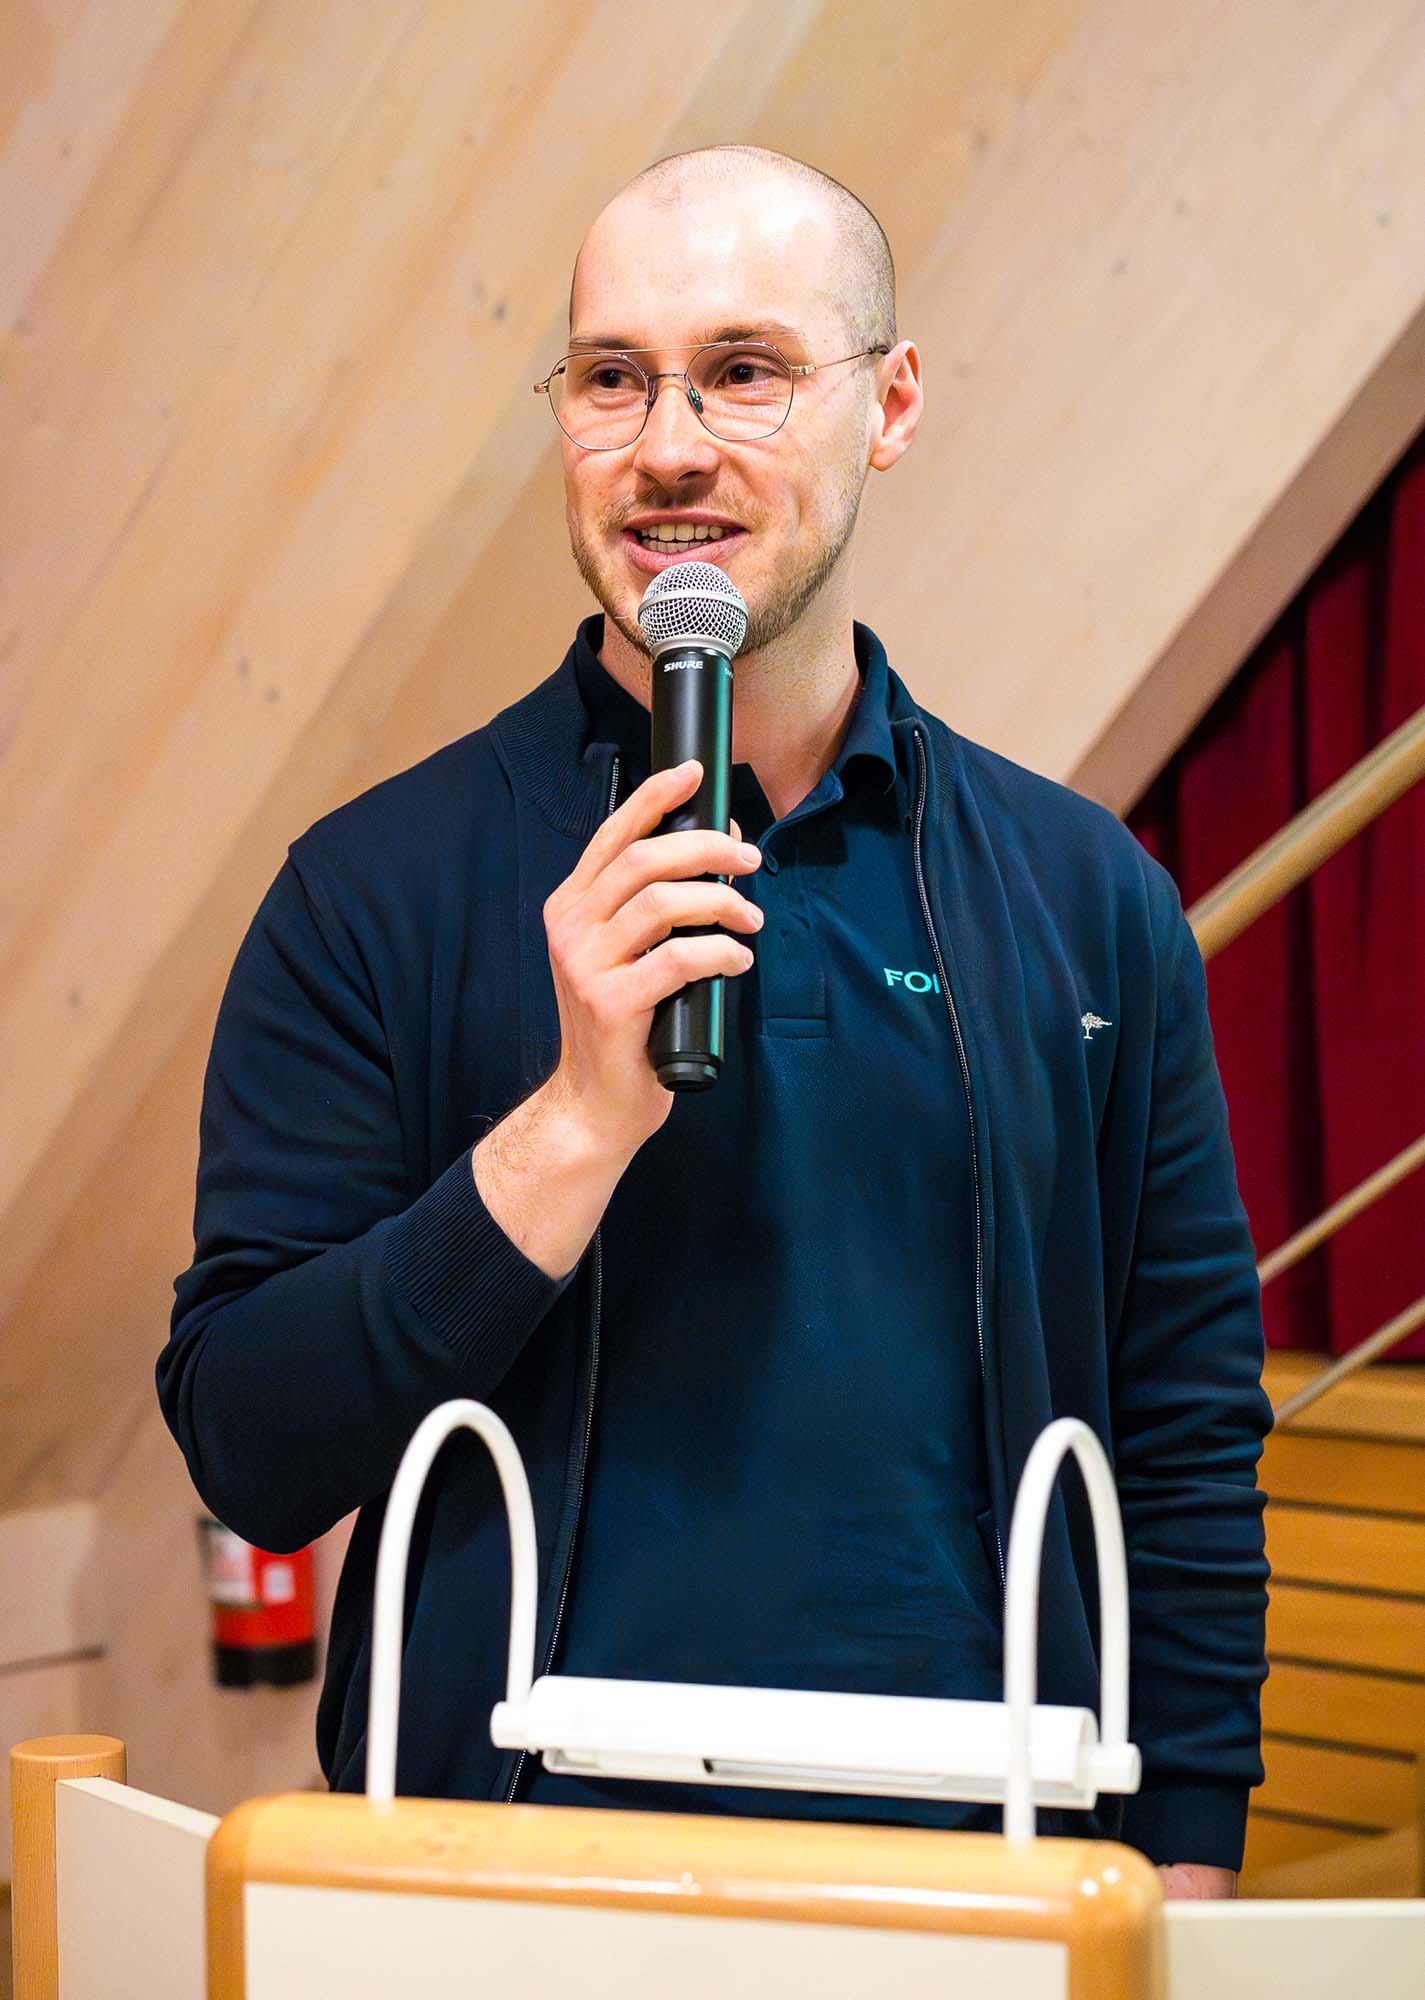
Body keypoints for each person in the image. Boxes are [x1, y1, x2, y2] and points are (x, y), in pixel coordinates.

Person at [158, 145, 1271, 1899]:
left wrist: (1183, 1857)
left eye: (743, 370)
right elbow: (252, 1444)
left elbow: (1183, 1423)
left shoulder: (1084, 898)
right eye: (612, 377)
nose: (667, 447)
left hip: (985, 1875)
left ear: (889, 404)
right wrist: (572, 1124)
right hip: (502, 1880)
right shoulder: (371, 890)